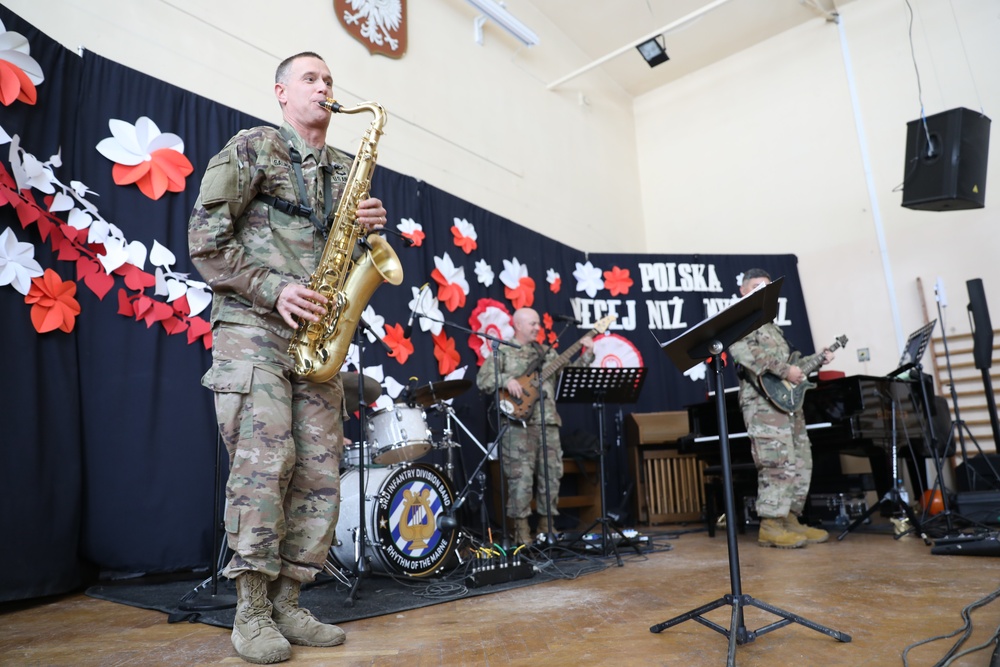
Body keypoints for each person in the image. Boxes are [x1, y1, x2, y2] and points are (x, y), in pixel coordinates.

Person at [188, 51, 388, 664]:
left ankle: (289, 602)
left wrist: (370, 232)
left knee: (321, 471)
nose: (324, 88)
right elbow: (204, 240)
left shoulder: (345, 166)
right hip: (253, 326)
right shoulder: (252, 148)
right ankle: (249, 610)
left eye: (329, 80)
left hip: (315, 338)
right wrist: (276, 290)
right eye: (311, 79)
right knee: (265, 463)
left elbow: (346, 256)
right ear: (281, 93)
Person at [729, 269, 834, 549]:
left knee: (800, 458)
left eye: (766, 287)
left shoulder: (771, 325)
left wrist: (818, 359)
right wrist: (786, 370)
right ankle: (771, 525)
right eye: (755, 287)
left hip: (787, 403)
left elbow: (792, 365)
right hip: (761, 404)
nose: (761, 291)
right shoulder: (739, 319)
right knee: (776, 461)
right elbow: (747, 355)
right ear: (742, 291)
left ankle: (790, 518)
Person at [476, 308, 595, 544]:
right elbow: (483, 379)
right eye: (532, 323)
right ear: (517, 325)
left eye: (538, 323)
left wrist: (587, 354)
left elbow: (571, 374)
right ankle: (521, 533)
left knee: (551, 477)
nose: (537, 327)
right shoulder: (505, 351)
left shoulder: (546, 353)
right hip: (517, 425)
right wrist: (506, 380)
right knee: (520, 479)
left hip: (548, 422)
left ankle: (546, 528)